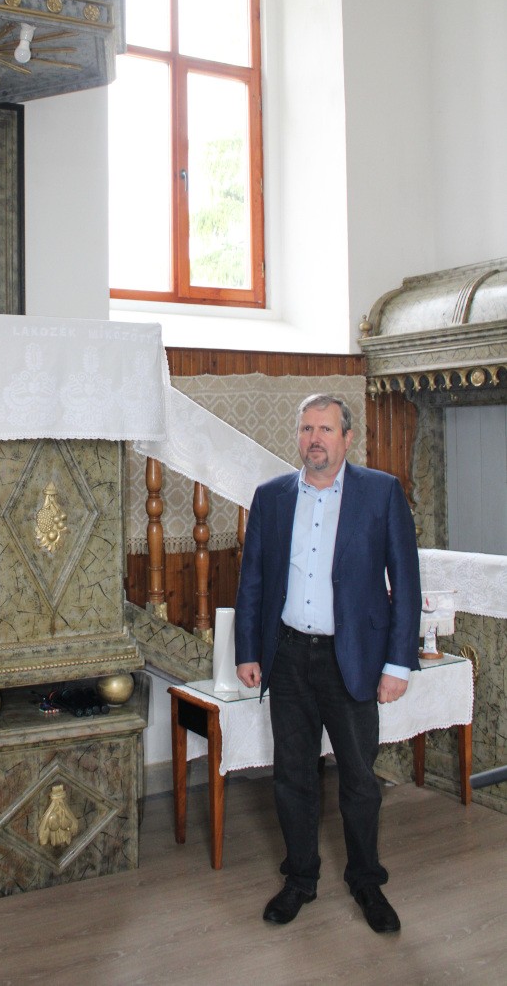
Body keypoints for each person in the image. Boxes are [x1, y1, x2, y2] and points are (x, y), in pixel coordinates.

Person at [235, 393, 421, 934]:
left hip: (353, 658)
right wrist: (248, 651)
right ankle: (299, 880)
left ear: (347, 437)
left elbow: (406, 584)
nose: (314, 439)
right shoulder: (271, 497)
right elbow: (253, 582)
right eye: (306, 429)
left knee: (359, 780)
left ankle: (367, 882)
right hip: (289, 657)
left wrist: (398, 664)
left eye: (325, 429)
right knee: (293, 777)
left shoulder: (381, 493)